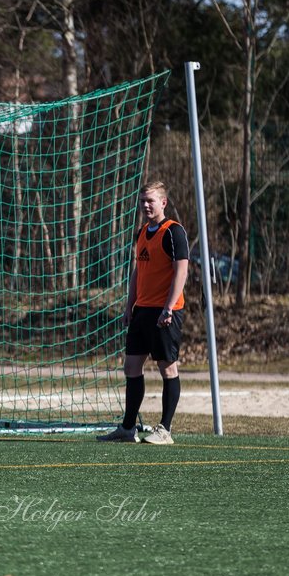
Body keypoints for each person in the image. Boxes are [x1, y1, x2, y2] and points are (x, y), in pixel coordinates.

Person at [98, 179, 189, 446]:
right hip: (142, 311)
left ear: (163, 202)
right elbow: (138, 271)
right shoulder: (141, 233)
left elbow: (181, 271)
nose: (146, 205)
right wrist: (130, 306)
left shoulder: (174, 232)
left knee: (167, 368)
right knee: (132, 367)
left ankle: (165, 430)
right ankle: (128, 428)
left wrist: (168, 307)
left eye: (151, 201)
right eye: (143, 201)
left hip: (165, 312)